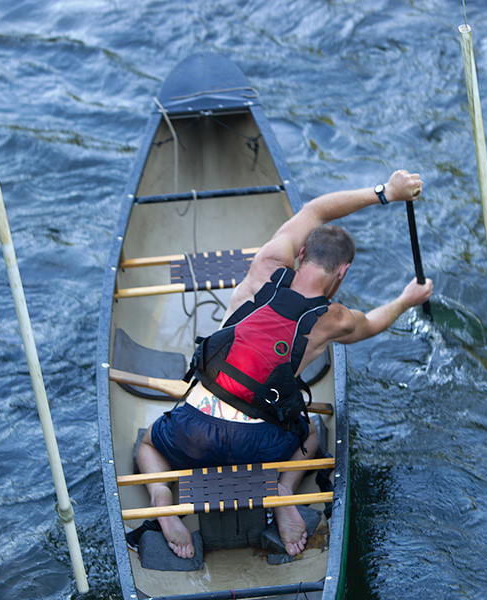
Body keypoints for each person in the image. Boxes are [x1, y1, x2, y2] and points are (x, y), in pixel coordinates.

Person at [136, 169, 434, 559]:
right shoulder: (334, 318)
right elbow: (374, 323)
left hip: (192, 435)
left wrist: (386, 192)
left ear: (302, 254)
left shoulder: (268, 261)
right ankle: (283, 490)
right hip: (258, 448)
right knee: (310, 428)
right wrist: (407, 299)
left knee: (147, 444)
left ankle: (160, 495)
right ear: (342, 273)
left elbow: (316, 210)